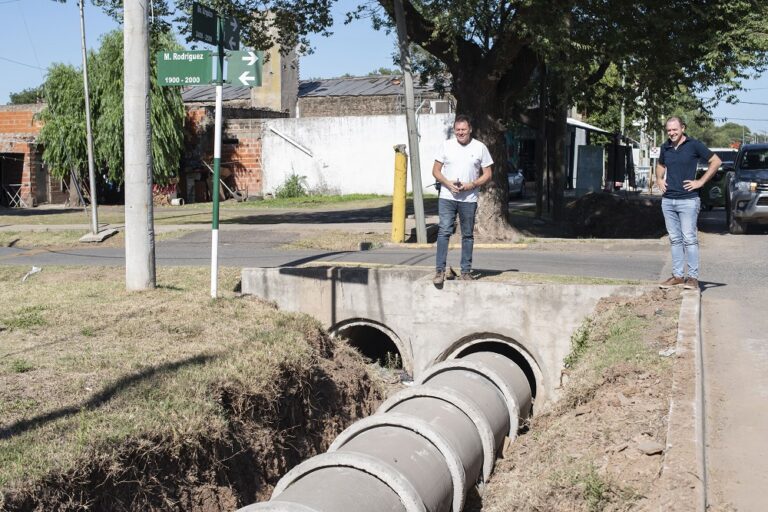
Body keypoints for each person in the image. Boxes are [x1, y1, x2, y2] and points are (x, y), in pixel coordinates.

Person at [655, 117, 721, 290]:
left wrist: (700, 182)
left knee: (689, 239)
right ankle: (677, 276)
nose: (672, 133)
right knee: (675, 239)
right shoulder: (665, 147)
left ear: (682, 128)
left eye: (675, 129)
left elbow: (716, 161)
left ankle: (692, 278)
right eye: (669, 130)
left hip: (688, 200)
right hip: (668, 200)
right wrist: (659, 179)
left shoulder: (694, 145)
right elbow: (661, 164)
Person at [432, 114, 493, 285]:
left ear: (470, 130)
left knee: (467, 235)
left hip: (469, 198)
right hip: (447, 196)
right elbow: (436, 171)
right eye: (457, 130)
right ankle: (439, 270)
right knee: (444, 231)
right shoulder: (446, 146)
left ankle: (465, 271)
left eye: (463, 130)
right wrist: (447, 183)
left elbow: (488, 173)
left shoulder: (480, 147)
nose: (460, 133)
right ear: (454, 130)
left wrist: (472, 184)